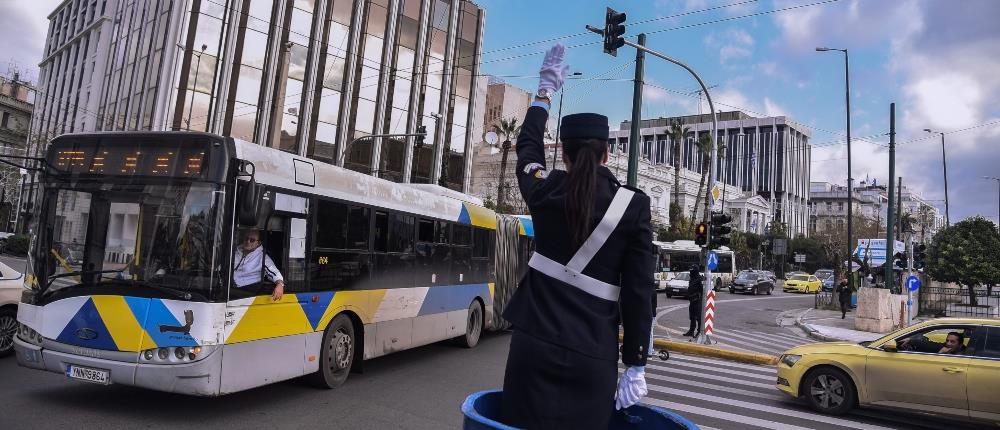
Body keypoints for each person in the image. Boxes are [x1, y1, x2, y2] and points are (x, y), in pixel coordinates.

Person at [500, 44, 654, 429]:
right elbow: (639, 292)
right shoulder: (633, 207)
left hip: (532, 347)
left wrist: (543, 93)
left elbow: (527, 148)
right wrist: (635, 363)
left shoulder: (546, 189)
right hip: (592, 356)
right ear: (606, 154)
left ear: (564, 155)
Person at [233, 229, 285, 300]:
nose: (248, 242)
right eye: (246, 239)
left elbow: (273, 271)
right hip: (229, 289)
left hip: (246, 292)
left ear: (258, 243)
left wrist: (280, 284)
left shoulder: (262, 257)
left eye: (252, 240)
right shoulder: (236, 252)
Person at [683, 265, 703, 337]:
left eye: (692, 271)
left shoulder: (700, 279)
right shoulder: (692, 278)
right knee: (692, 317)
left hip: (697, 300)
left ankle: (699, 331)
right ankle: (691, 331)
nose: (691, 272)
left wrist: (699, 297)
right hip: (692, 300)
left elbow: (702, 290)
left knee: (698, 317)